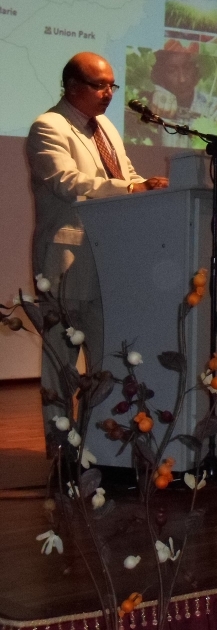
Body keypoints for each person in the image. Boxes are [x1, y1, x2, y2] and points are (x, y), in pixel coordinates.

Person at [26, 52, 169, 452]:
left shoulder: (105, 127)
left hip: (111, 260)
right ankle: (60, 445)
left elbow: (123, 176)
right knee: (62, 362)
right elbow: (68, 182)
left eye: (112, 85)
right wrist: (131, 188)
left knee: (108, 360)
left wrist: (149, 185)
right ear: (73, 87)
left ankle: (98, 444)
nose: (109, 93)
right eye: (100, 85)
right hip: (68, 261)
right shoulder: (48, 127)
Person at [149, 48, 217, 147]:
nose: (182, 79)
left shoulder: (215, 107)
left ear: (196, 69)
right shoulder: (152, 102)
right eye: (172, 71)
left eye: (187, 67)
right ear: (161, 75)